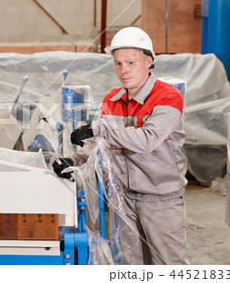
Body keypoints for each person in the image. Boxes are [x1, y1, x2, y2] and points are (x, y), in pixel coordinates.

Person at [52, 27, 189, 265]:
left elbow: (147, 139)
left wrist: (98, 128)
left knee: (169, 266)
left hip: (161, 200)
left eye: (130, 63)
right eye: (118, 64)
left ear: (148, 61)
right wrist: (73, 160)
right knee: (132, 264)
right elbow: (97, 145)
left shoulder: (167, 97)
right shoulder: (112, 99)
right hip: (123, 199)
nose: (124, 70)